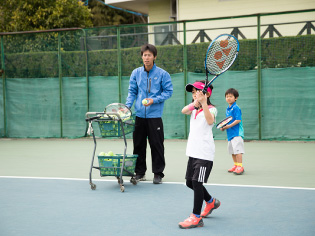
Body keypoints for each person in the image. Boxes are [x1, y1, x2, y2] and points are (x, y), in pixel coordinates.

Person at [125, 44, 173, 184]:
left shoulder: (163, 74)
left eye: (149, 55)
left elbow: (168, 92)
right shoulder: (136, 73)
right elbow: (132, 92)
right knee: (138, 145)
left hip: (155, 116)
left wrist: (154, 100)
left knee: (157, 145)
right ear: (142, 57)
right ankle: (140, 172)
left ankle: (158, 173)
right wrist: (128, 107)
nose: (146, 58)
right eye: (144, 55)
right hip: (139, 115)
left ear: (154, 57)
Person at [179, 81, 221, 229]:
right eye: (193, 92)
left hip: (204, 153)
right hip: (193, 152)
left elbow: (210, 121)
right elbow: (184, 110)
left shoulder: (211, 109)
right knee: (190, 182)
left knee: (197, 183)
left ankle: (196, 217)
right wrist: (196, 103)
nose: (194, 94)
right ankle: (210, 201)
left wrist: (203, 104)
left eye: (197, 92)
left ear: (207, 94)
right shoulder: (193, 109)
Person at [220, 88, 245, 175]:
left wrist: (229, 126)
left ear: (236, 98)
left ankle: (240, 166)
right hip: (230, 134)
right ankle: (236, 165)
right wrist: (224, 127)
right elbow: (227, 121)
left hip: (237, 134)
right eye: (227, 97)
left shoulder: (236, 108)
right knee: (232, 151)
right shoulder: (228, 109)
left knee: (238, 151)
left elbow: (238, 120)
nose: (228, 98)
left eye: (230, 96)